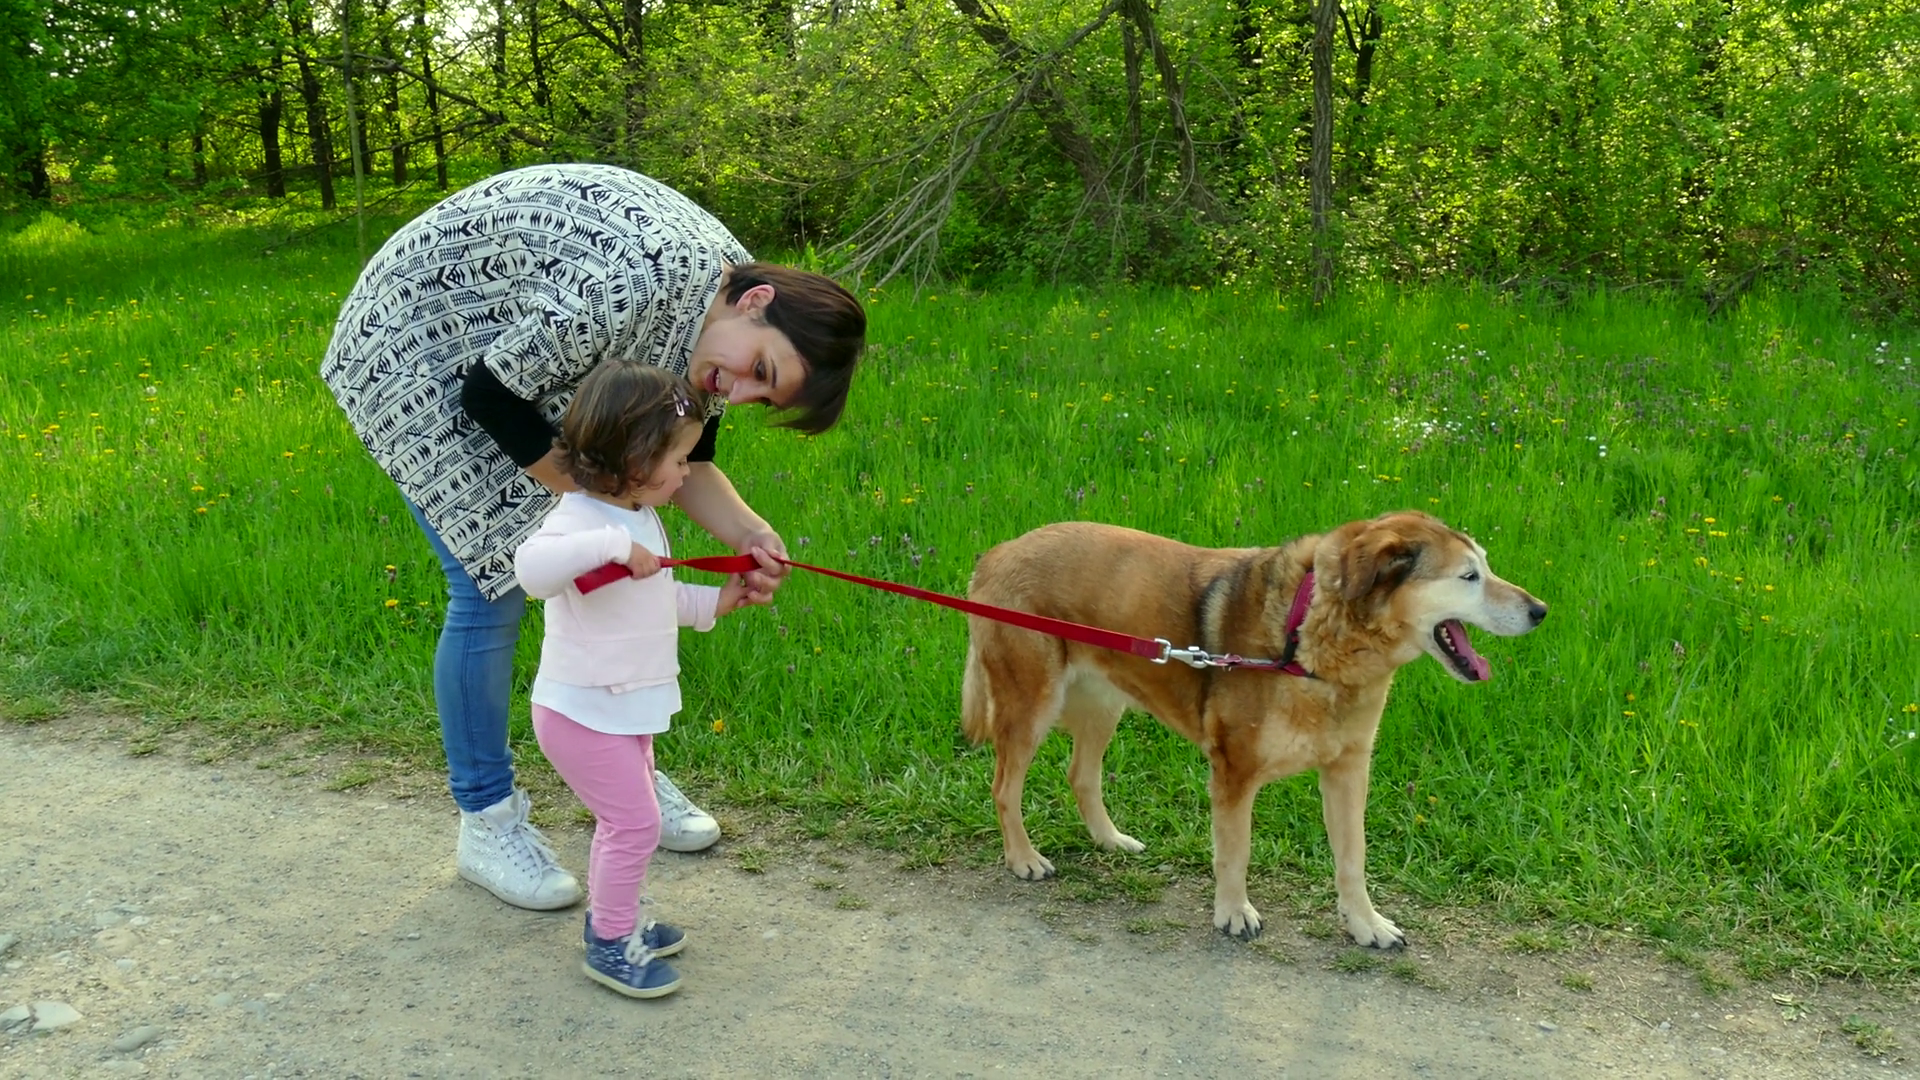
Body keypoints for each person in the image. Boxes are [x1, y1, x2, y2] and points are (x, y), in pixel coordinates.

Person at [320, 162, 865, 911]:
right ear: (756, 301)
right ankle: (487, 820)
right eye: (758, 370)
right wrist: (603, 513)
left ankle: (620, 776)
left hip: (515, 355)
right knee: (493, 590)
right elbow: (491, 395)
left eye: (762, 395)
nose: (738, 392)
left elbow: (686, 460)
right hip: (420, 344)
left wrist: (752, 534)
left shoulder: (722, 322)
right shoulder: (642, 282)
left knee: (612, 540)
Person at [514, 363, 747, 998]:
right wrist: (611, 547)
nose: (686, 473)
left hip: (622, 707)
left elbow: (654, 599)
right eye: (679, 460)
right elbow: (532, 571)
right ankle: (612, 942)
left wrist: (721, 601)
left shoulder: (639, 513)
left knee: (627, 822)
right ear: (635, 459)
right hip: (580, 712)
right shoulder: (581, 520)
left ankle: (612, 921)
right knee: (636, 825)